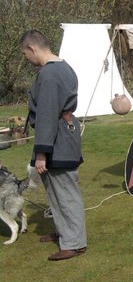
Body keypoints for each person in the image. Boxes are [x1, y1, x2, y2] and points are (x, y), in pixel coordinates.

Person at [20, 30, 87, 261]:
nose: (26, 59)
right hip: (62, 134)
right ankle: (65, 233)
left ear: (33, 49)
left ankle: (74, 242)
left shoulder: (49, 75)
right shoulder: (64, 66)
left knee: (65, 191)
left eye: (25, 54)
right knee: (57, 191)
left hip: (58, 138)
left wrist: (41, 153)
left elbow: (48, 114)